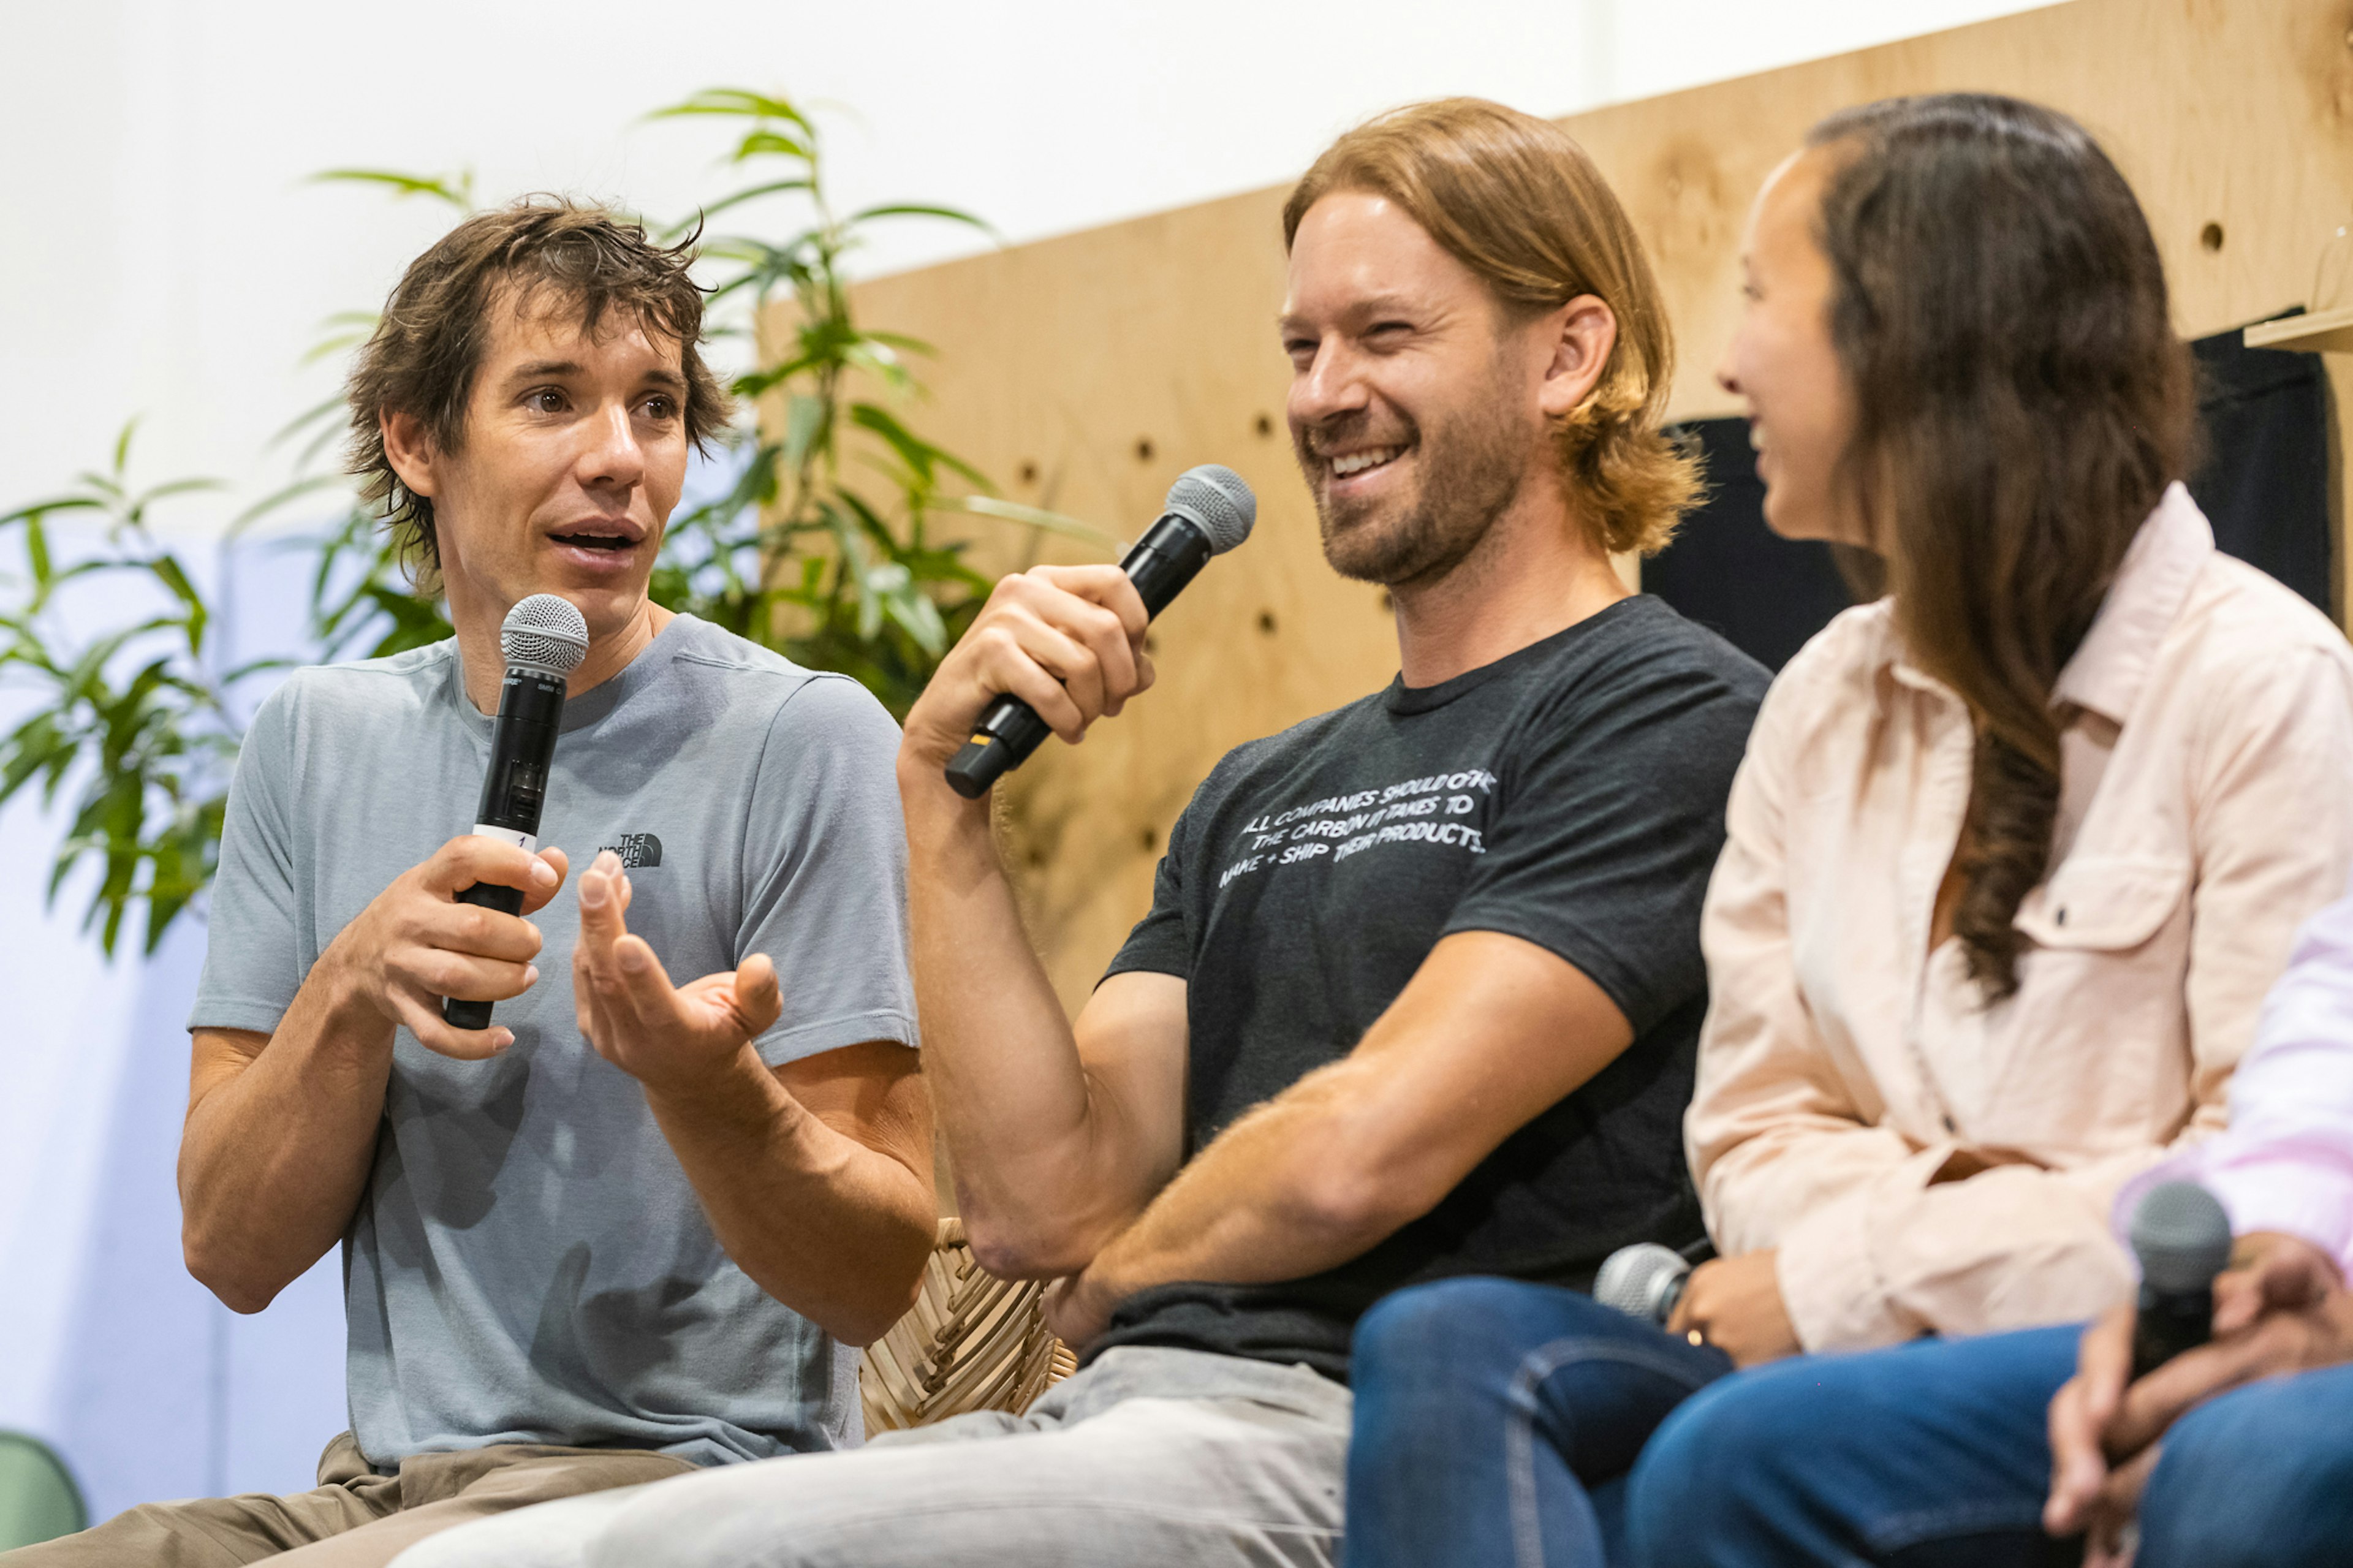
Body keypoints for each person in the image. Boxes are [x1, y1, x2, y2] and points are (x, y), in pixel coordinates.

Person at [390, 97, 1767, 1568]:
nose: (1322, 394)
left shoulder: (1663, 711)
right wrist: (939, 800)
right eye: (1302, 347)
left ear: (1569, 355)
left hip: (1367, 1433)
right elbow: (1044, 1200)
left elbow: (1362, 1147)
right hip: (1119, 1419)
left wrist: (1141, 1264)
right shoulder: (1263, 785)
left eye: (1386, 335)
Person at [1346, 93, 2353, 1568]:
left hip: (2101, 1338)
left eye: (1763, 300)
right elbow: (1749, 1123)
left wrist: (1856, 1279)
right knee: (1442, 1342)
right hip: (1844, 1310)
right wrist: (1881, 1263)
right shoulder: (1822, 697)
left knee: (1725, 1454)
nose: (1730, 358)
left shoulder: (2269, 690)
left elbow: (2246, 1189)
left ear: (1923, 340)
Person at [0, 202, 936, 1568]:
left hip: (685, 1484)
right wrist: (353, 984)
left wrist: (702, 1082)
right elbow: (232, 1249)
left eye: (657, 407)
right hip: (382, 1490)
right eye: (553, 398)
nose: (620, 459)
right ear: (415, 438)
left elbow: (874, 1275)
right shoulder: (316, 739)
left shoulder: (802, 736)